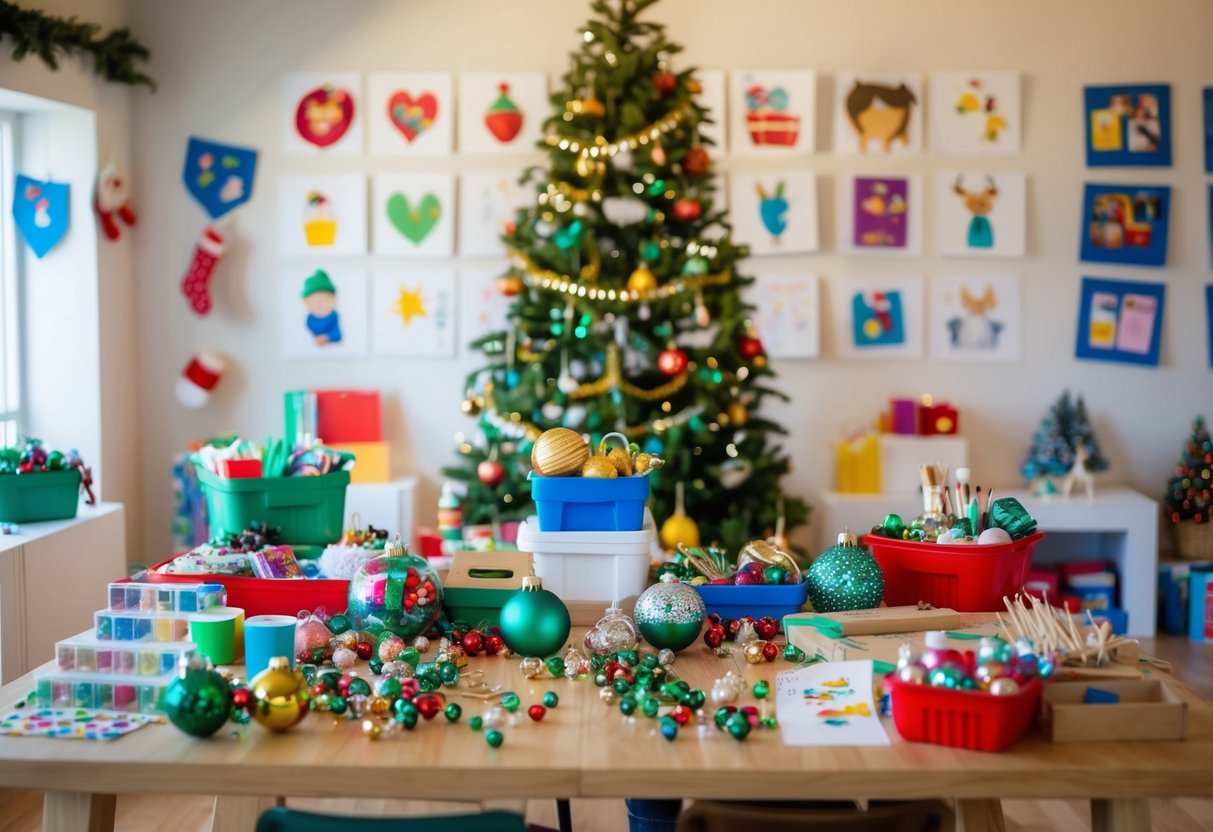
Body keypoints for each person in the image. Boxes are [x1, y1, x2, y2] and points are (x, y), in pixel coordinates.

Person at [301, 268, 342, 345]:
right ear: (306, 302)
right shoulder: (310, 319)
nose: (319, 303)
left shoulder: (334, 316)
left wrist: (327, 338)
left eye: (324, 299)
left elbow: (337, 334)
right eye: (314, 300)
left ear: (334, 299)